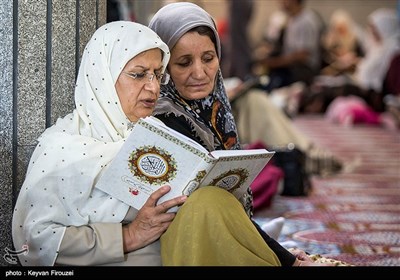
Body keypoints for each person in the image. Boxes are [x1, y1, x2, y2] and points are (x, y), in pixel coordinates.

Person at [148, 1, 338, 266]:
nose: (200, 73)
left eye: (208, 58)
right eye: (183, 63)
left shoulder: (212, 108)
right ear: (163, 67)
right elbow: (212, 205)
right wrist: (287, 260)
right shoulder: (165, 119)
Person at [11, 21, 180, 266]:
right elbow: (35, 241)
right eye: (139, 74)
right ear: (103, 76)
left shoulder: (158, 135)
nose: (153, 87)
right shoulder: (62, 149)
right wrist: (128, 236)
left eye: (157, 74)